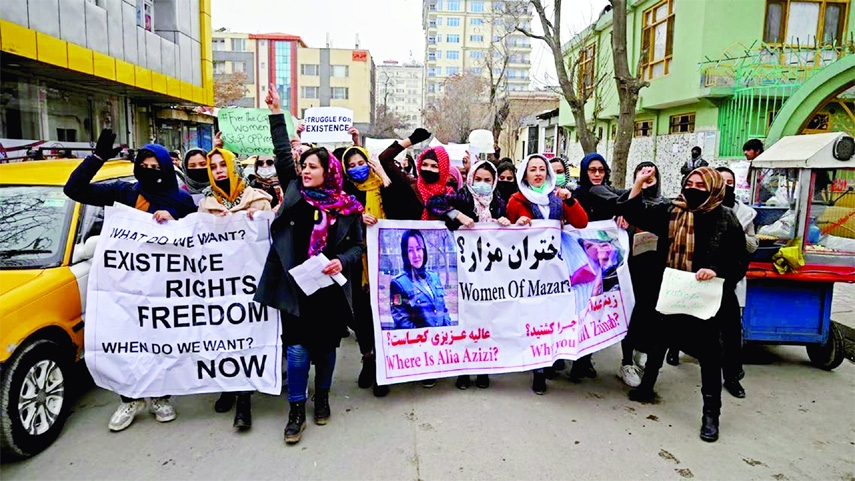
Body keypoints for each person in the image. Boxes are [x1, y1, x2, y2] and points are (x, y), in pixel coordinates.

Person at [64, 129, 197, 433]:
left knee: (162, 343)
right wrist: (97, 158)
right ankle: (130, 398)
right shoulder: (123, 193)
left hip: (164, 288)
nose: (150, 172)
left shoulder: (181, 199)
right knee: (128, 343)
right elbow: (74, 190)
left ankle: (161, 397)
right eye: (145, 166)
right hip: (125, 285)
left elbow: (196, 236)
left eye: (156, 167)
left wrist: (174, 222)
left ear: (165, 169)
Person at [255, 85, 364, 445]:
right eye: (304, 166)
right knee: (298, 351)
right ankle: (297, 409)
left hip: (328, 290)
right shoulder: (295, 193)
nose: (305, 171)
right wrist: (276, 111)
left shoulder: (348, 206)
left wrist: (339, 261)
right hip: (295, 288)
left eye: (312, 167)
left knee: (326, 350)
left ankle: (323, 398)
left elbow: (357, 249)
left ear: (327, 172)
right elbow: (282, 153)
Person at [618, 166, 748, 443]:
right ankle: (646, 387)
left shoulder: (726, 219)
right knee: (659, 342)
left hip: (708, 300)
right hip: (673, 291)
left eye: (701, 185)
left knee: (710, 355)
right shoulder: (672, 211)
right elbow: (634, 213)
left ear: (714, 188)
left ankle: (710, 416)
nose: (693, 188)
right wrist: (640, 183)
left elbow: (739, 261)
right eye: (690, 183)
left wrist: (715, 270)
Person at [196, 147, 272, 430]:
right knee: (223, 337)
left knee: (247, 339)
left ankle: (244, 400)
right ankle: (227, 386)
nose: (218, 171)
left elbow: (271, 239)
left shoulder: (259, 200)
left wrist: (257, 223)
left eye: (222, 165)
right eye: (212, 167)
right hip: (219, 286)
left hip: (250, 284)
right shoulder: (206, 205)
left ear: (234, 167)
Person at [504, 153, 588, 394]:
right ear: (525, 174)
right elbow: (506, 233)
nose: (538, 173)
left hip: (558, 262)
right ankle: (538, 370)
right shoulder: (516, 200)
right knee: (534, 314)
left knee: (556, 310)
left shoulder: (558, 198)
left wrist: (570, 201)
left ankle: (553, 355)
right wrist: (517, 223)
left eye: (542, 169)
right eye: (533, 169)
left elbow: (581, 222)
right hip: (530, 267)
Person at [340, 143, 416, 397]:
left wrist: (385, 178)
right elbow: (336, 220)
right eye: (351, 166)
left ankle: (386, 366)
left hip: (390, 264)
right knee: (362, 314)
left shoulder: (383, 187)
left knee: (390, 312)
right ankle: (369, 360)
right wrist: (355, 217)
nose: (357, 169)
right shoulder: (346, 194)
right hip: (360, 267)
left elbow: (408, 210)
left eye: (361, 163)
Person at [428, 160, 511, 390]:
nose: (482, 184)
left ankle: (483, 368)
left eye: (487, 180)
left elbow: (506, 232)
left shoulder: (498, 202)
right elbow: (433, 202)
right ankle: (463, 369)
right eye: (478, 179)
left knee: (486, 320)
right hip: (462, 272)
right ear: (471, 178)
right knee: (465, 320)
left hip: (488, 274)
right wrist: (457, 215)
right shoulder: (461, 196)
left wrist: (504, 221)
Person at [570, 152, 628, 383]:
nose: (596, 174)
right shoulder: (576, 195)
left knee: (596, 309)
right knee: (580, 308)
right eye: (592, 170)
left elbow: (622, 207)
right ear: (584, 172)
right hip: (580, 260)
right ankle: (576, 360)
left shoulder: (610, 194)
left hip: (604, 263)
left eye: (600, 170)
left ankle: (586, 359)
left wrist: (623, 216)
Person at [619, 162, 668, 388]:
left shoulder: (666, 206)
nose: (648, 179)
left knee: (649, 314)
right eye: (642, 175)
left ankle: (642, 351)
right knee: (629, 314)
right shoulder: (626, 204)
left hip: (655, 271)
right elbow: (628, 209)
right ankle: (627, 361)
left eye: (652, 176)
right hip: (630, 270)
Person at [717, 166, 758, 399]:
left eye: (730, 181)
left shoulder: (745, 213)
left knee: (732, 332)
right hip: (702, 279)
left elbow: (752, 244)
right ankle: (674, 351)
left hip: (730, 280)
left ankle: (732, 377)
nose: (726, 185)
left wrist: (739, 239)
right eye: (721, 181)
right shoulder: (700, 207)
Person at [389, 229, 453, 330]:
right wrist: (427, 339)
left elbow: (444, 311)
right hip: (418, 343)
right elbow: (402, 321)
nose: (416, 255)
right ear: (405, 254)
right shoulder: (398, 284)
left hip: (442, 342)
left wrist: (448, 330)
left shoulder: (434, 277)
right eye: (410, 250)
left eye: (418, 249)